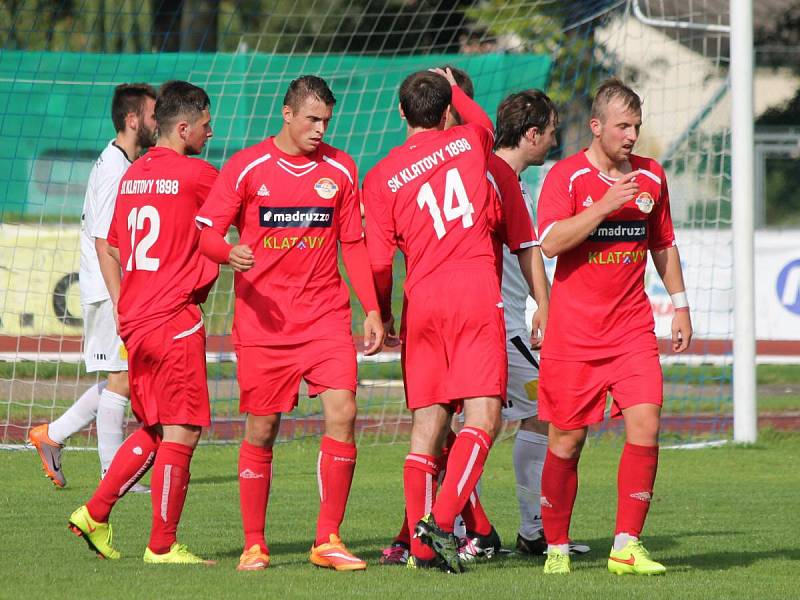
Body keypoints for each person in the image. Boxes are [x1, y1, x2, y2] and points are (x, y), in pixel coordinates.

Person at [196, 75, 384, 572]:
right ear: (287, 113)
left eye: (326, 120)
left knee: (343, 411)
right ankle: (254, 543)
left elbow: (354, 244)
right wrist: (227, 251)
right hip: (264, 323)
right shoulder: (246, 167)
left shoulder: (342, 169)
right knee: (262, 428)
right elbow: (207, 235)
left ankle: (328, 539)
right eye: (311, 119)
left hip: (325, 317)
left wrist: (370, 307)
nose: (320, 129)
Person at [536, 78, 692, 575]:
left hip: (631, 331)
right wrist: (603, 206)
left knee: (646, 424)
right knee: (566, 441)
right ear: (597, 126)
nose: (631, 136)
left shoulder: (651, 177)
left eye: (637, 126)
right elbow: (551, 244)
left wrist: (681, 305)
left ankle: (626, 545)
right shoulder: (566, 177)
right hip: (574, 337)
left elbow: (662, 244)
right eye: (623, 126)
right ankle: (556, 545)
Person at [68, 80, 219, 565]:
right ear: (183, 127)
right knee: (184, 429)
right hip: (174, 319)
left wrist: (122, 304)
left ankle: (94, 512)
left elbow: (109, 245)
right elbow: (245, 205)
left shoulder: (134, 176)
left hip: (137, 321)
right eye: (205, 125)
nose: (210, 133)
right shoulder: (195, 174)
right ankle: (162, 544)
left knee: (156, 427)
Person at [363, 68, 505, 574]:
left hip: (420, 297)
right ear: (446, 111)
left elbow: (379, 263)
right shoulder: (468, 141)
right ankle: (440, 525)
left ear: (401, 113)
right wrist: (459, 90)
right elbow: (486, 122)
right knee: (484, 416)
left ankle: (421, 552)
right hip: (472, 287)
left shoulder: (378, 177)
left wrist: (379, 312)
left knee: (427, 426)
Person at [28, 83, 157, 491]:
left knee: (121, 377)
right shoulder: (115, 169)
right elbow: (104, 239)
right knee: (121, 380)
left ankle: (52, 436)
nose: (159, 122)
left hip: (111, 288)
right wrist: (121, 298)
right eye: (153, 115)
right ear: (133, 120)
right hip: (108, 289)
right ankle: (112, 474)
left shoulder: (120, 162)